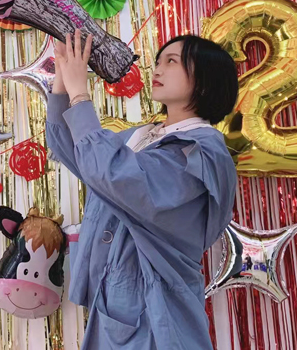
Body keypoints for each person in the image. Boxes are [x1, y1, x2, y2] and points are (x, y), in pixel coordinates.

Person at [47, 30, 239, 349]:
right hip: (113, 304)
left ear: (205, 81)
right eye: (159, 61)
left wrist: (81, 94)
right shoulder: (141, 136)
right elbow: (75, 150)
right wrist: (63, 79)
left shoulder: (202, 150)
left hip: (156, 309)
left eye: (172, 61)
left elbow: (117, 175)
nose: (158, 69)